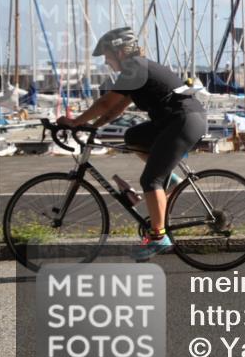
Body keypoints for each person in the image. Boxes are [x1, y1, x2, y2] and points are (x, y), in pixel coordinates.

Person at [57, 27, 207, 259]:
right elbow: (115, 109)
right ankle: (171, 182)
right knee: (133, 137)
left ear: (120, 51)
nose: (106, 61)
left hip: (184, 121)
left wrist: (76, 122)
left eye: (107, 55)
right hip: (174, 121)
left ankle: (159, 237)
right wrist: (92, 128)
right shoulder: (135, 72)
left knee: (149, 179)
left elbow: (106, 103)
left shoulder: (135, 67)